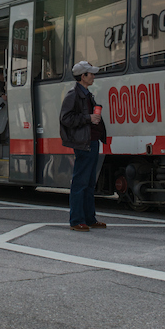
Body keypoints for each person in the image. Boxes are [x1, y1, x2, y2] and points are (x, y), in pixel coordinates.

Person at [59, 61, 108, 232]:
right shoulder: (74, 94)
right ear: (83, 76)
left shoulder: (86, 94)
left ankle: (89, 218)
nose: (93, 76)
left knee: (88, 182)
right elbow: (65, 118)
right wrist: (88, 118)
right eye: (91, 74)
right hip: (83, 143)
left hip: (91, 141)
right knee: (81, 182)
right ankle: (77, 220)